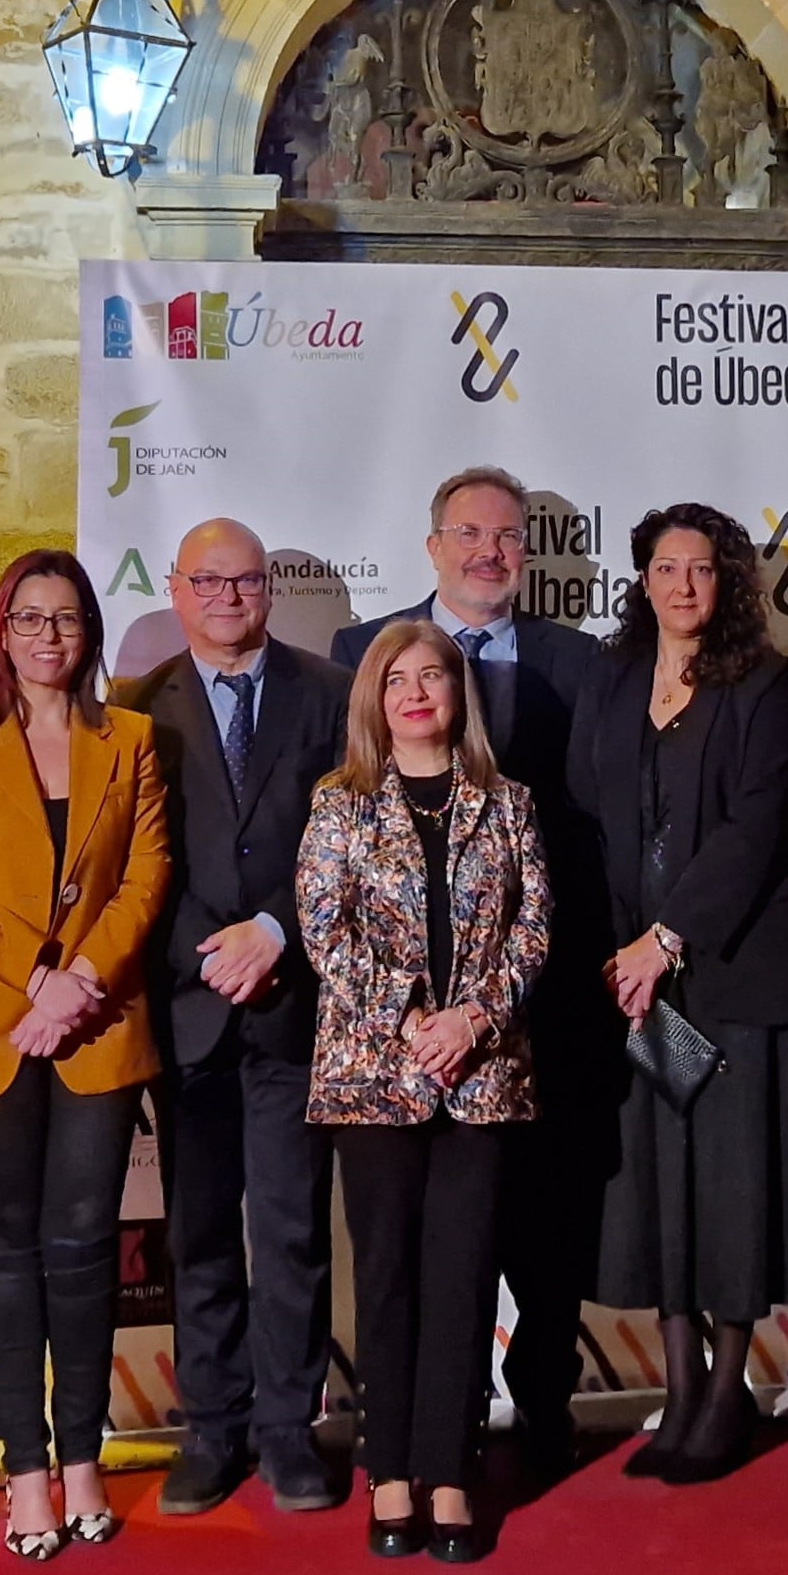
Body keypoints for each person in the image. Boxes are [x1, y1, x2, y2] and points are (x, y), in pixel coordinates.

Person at [337, 467, 614, 1475]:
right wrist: (410, 1011)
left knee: (543, 1231)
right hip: (397, 1035)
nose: (488, 550)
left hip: (542, 1000)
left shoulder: (582, 661)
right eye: (467, 532)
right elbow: (335, 852)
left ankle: (539, 1416)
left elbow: (595, 829)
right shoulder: (364, 655)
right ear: (432, 546)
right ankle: (413, 1448)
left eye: (506, 535)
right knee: (410, 1257)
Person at [0, 548, 172, 1559]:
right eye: (29, 617)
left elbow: (146, 877)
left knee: (81, 1248)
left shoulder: (135, 741)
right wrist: (37, 978)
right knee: (5, 1246)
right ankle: (25, 1471)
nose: (48, 636)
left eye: (66, 618)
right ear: (1, 631)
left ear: (89, 631)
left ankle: (82, 1461)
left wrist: (80, 984)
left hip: (98, 1025)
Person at [574, 500, 788, 1484]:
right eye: (667, 567)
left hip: (727, 978)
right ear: (643, 580)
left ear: (728, 585)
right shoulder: (611, 677)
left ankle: (727, 1394)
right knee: (658, 1186)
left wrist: (667, 939)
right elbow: (585, 816)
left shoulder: (761, 684)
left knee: (729, 1188)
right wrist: (620, 950)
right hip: (636, 988)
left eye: (703, 569)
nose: (684, 585)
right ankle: (676, 1385)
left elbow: (758, 828)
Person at [300, 621, 551, 1562]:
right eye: (396, 678)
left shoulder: (509, 803)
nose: (415, 692)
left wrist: (473, 1022)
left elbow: (533, 930)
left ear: (457, 691)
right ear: (375, 697)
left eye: (432, 676)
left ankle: (451, 1468)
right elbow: (325, 931)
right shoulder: (340, 804)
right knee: (389, 1275)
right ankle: (390, 1470)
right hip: (374, 1078)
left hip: (481, 1076)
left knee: (463, 1276)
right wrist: (412, 1022)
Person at [115, 518, 348, 1516]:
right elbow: (129, 868)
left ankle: (291, 1431)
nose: (227, 596)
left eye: (245, 580)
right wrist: (211, 951)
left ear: (267, 590)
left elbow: (350, 839)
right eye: (207, 579)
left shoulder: (334, 698)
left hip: (297, 1010)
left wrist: (276, 931)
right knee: (200, 1234)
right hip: (190, 1009)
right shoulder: (136, 712)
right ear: (176, 588)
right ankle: (211, 1431)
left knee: (292, 1231)